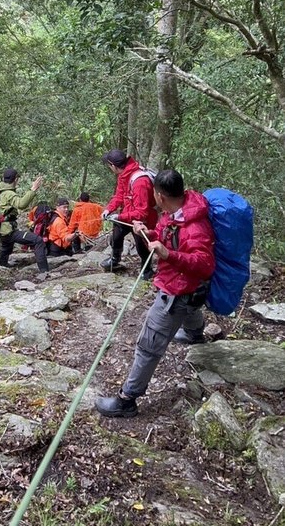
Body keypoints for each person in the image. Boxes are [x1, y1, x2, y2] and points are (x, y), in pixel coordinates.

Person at [95, 169, 215, 418]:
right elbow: (166, 234)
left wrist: (168, 255)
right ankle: (195, 334)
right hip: (187, 290)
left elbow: (204, 264)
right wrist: (147, 233)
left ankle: (127, 399)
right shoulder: (178, 212)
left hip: (176, 290)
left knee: (148, 345)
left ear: (159, 196)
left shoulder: (195, 226)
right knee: (191, 308)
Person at [100, 149, 157, 279]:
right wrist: (109, 209)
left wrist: (119, 216)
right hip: (128, 213)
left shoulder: (140, 182)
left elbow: (142, 212)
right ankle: (115, 259)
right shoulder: (123, 175)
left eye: (109, 166)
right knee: (117, 234)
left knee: (141, 245)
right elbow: (119, 195)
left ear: (113, 165)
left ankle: (146, 269)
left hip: (143, 219)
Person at [0, 168, 49, 272]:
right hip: (8, 230)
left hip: (2, 229)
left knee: (6, 245)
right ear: (16, 179)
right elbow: (21, 204)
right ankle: (45, 271)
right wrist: (33, 189)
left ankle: (2, 266)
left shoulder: (0, 191)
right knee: (38, 241)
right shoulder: (8, 193)